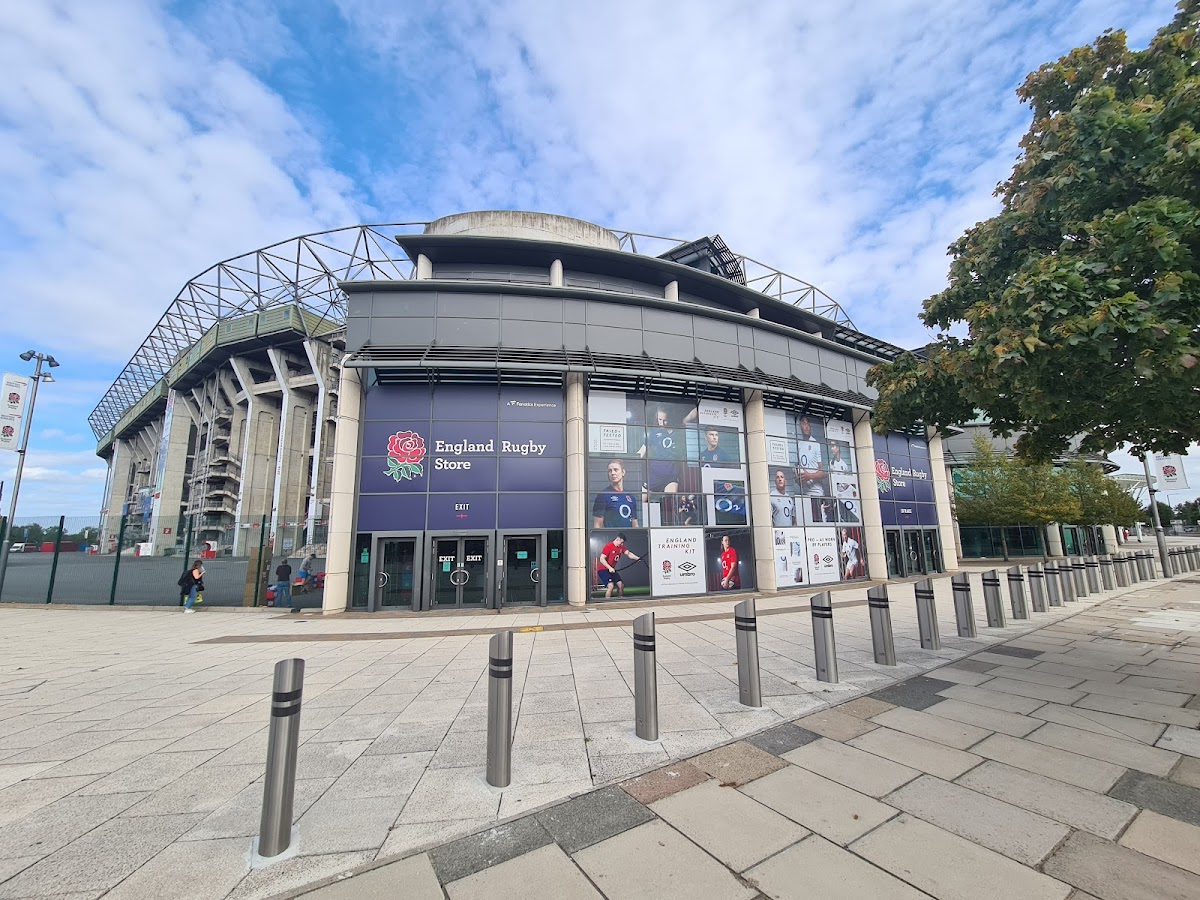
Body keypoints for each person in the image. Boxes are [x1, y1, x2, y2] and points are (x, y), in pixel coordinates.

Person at [638, 405, 697, 493]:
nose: (662, 423)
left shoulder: (678, 429)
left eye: (665, 420)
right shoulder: (654, 432)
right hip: (655, 473)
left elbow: (692, 414)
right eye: (660, 420)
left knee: (671, 499)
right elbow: (643, 449)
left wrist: (703, 404)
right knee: (643, 499)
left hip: (671, 475)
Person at [592, 459, 640, 528]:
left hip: (628, 537)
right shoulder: (603, 495)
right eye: (610, 471)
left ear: (623, 472)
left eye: (616, 470)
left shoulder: (631, 497)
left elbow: (635, 524)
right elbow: (597, 525)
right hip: (612, 538)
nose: (613, 473)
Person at [597, 533, 640, 599]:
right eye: (621, 542)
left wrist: (638, 558)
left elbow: (629, 554)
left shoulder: (621, 547)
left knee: (620, 585)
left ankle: (620, 599)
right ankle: (607, 603)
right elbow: (602, 559)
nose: (622, 544)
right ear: (617, 539)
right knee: (610, 586)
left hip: (611, 570)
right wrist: (610, 568)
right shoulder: (608, 546)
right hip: (603, 569)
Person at [794, 416, 827, 496]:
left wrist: (810, 476)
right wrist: (797, 478)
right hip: (804, 493)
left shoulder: (816, 444)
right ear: (800, 426)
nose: (806, 427)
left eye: (808, 424)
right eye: (804, 424)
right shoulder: (799, 445)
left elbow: (824, 473)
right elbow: (799, 469)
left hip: (817, 492)